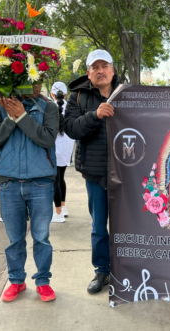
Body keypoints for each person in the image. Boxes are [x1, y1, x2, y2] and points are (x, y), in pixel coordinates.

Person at [0, 78, 59, 303]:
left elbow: (47, 138)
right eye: (29, 82)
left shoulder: (49, 107)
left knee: (42, 237)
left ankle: (43, 281)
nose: (35, 86)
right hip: (8, 183)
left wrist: (23, 117)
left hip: (41, 183)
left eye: (39, 82)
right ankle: (16, 280)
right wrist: (11, 117)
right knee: (14, 239)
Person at [64, 49, 120, 294]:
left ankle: (126, 270)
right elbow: (71, 129)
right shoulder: (77, 96)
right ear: (88, 73)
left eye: (104, 65)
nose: (100, 71)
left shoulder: (128, 93)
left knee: (127, 225)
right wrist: (95, 115)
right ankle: (102, 271)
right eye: (95, 67)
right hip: (95, 174)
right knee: (99, 227)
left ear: (112, 69)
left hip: (126, 173)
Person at [50, 82, 75, 223]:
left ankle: (58, 213)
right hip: (67, 148)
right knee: (61, 178)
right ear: (66, 94)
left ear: (53, 94)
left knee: (55, 179)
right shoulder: (71, 107)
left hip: (54, 148)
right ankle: (63, 207)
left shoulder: (50, 107)